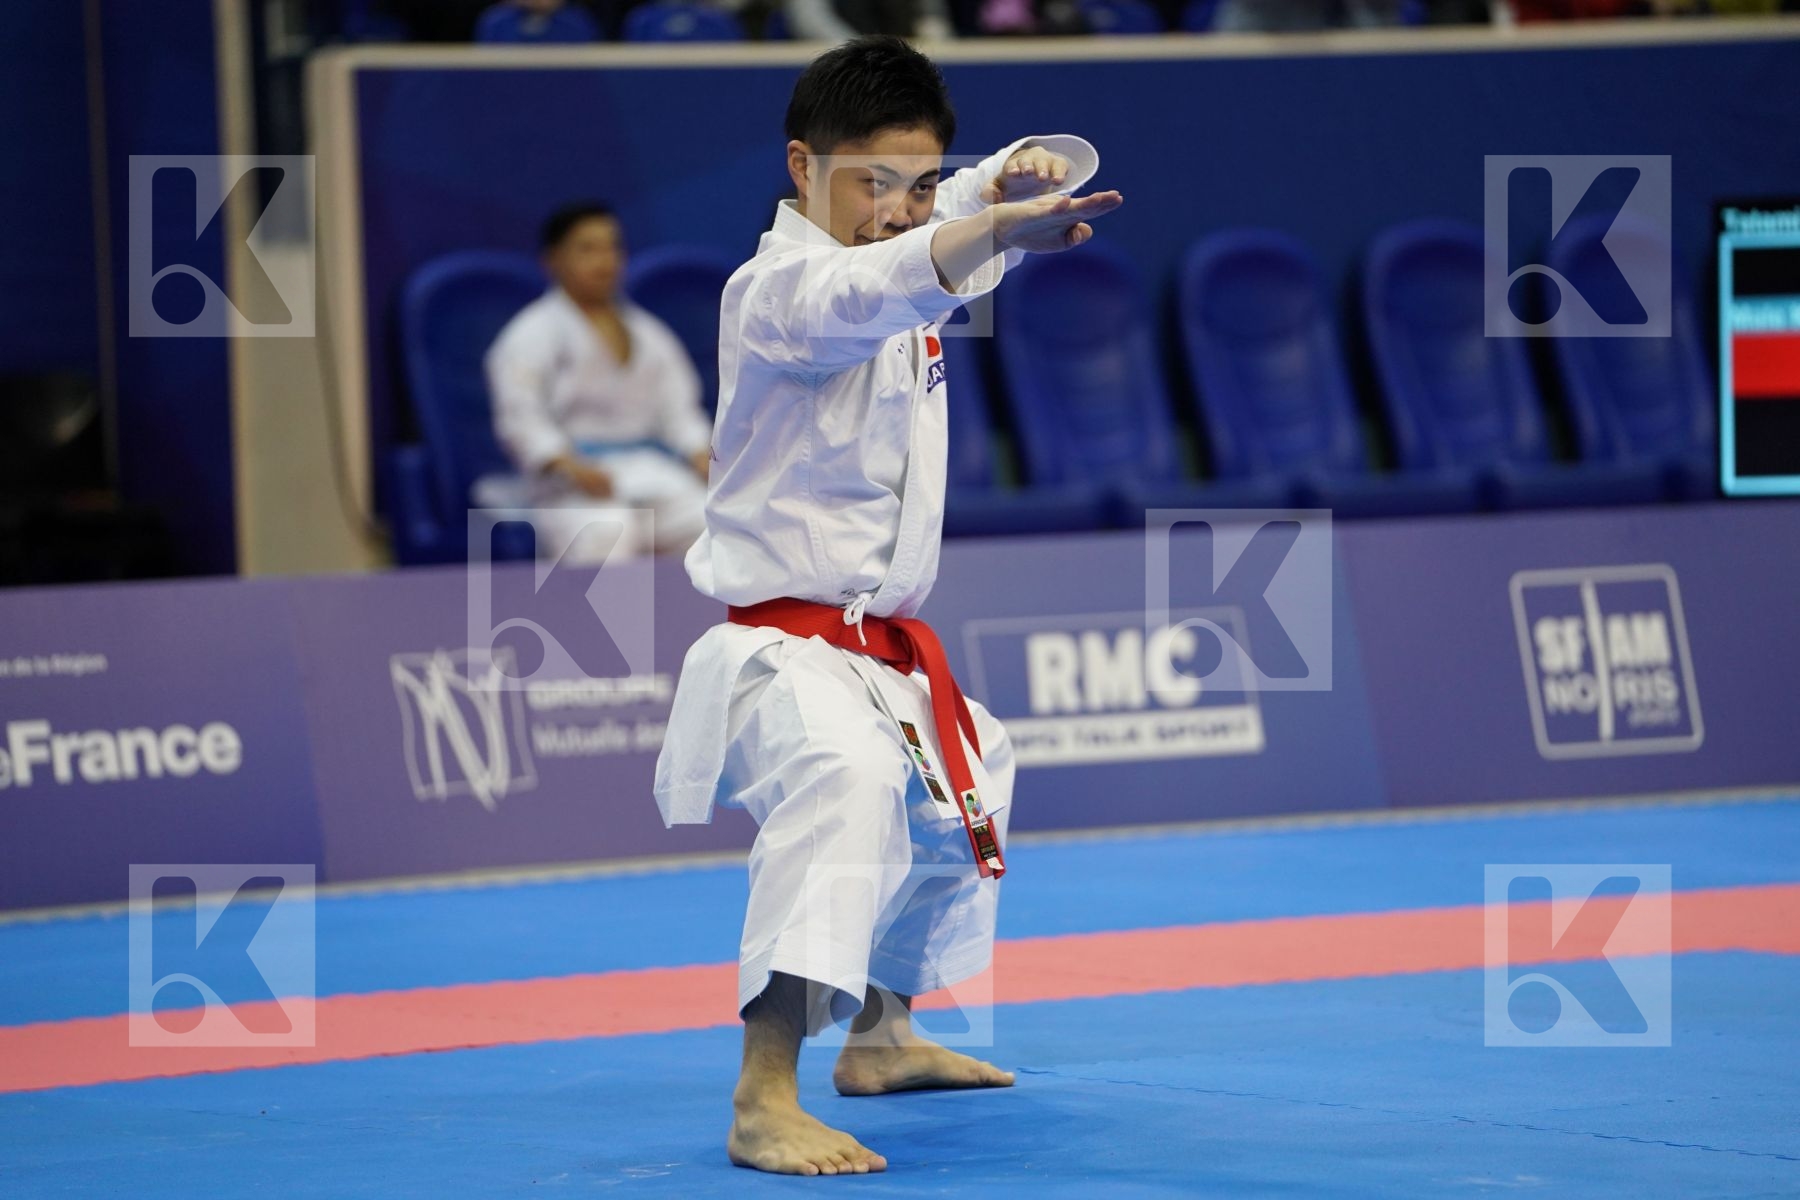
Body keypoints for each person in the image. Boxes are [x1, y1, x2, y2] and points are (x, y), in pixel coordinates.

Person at [652, 35, 1121, 1176]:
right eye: (871, 184)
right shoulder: (779, 292)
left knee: (971, 778)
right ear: (802, 167)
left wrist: (1010, 181)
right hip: (781, 649)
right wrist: (981, 229)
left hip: (881, 651)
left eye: (918, 187)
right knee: (847, 785)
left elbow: (954, 213)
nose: (895, 210)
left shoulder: (908, 236)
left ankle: (882, 1033)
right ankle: (765, 1093)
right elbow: (887, 277)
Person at [485, 202, 712, 562]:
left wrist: (699, 452)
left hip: (647, 472)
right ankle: (597, 620)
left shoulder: (649, 332)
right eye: (588, 249)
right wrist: (567, 465)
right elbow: (520, 418)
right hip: (571, 488)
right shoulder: (529, 334)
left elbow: (679, 411)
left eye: (612, 247)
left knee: (711, 522)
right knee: (609, 530)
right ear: (553, 260)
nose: (605, 260)